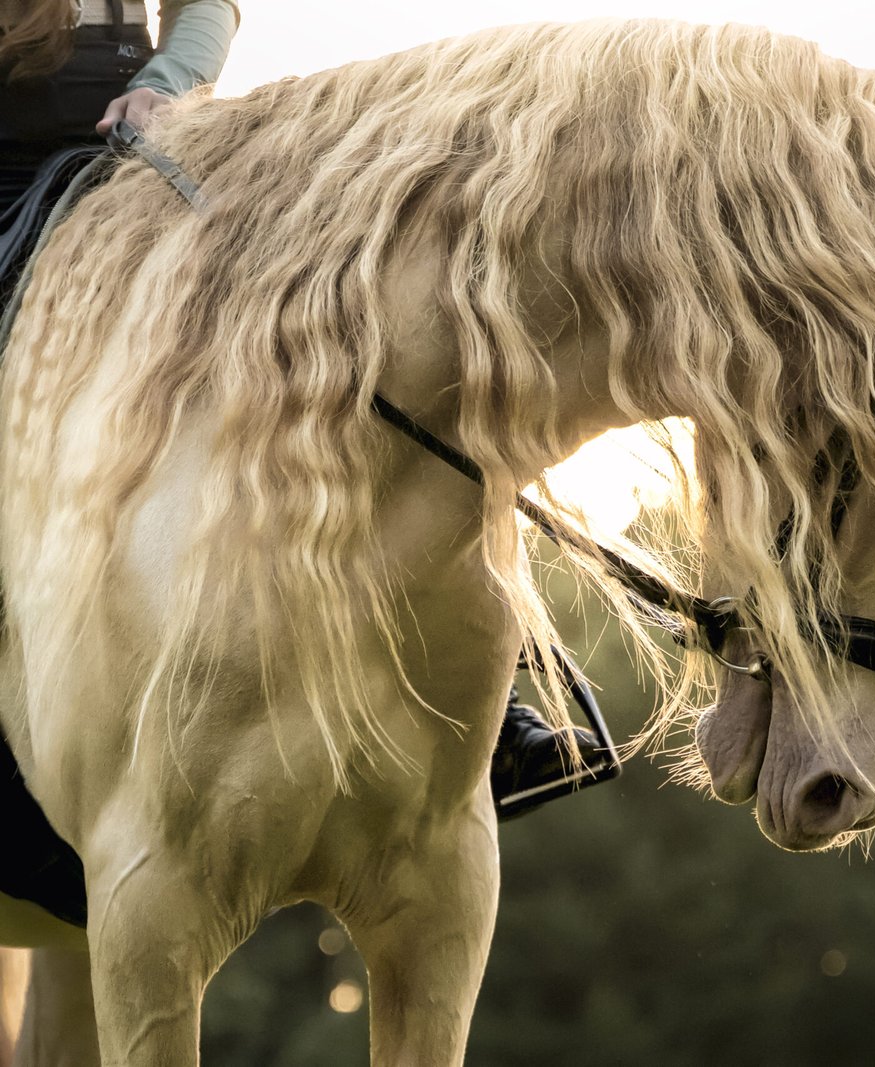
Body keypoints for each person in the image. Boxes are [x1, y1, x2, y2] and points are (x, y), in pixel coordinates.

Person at [0, 1, 598, 853]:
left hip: (132, 144)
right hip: (10, 176)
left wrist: (166, 85)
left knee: (319, 345)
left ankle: (484, 699)